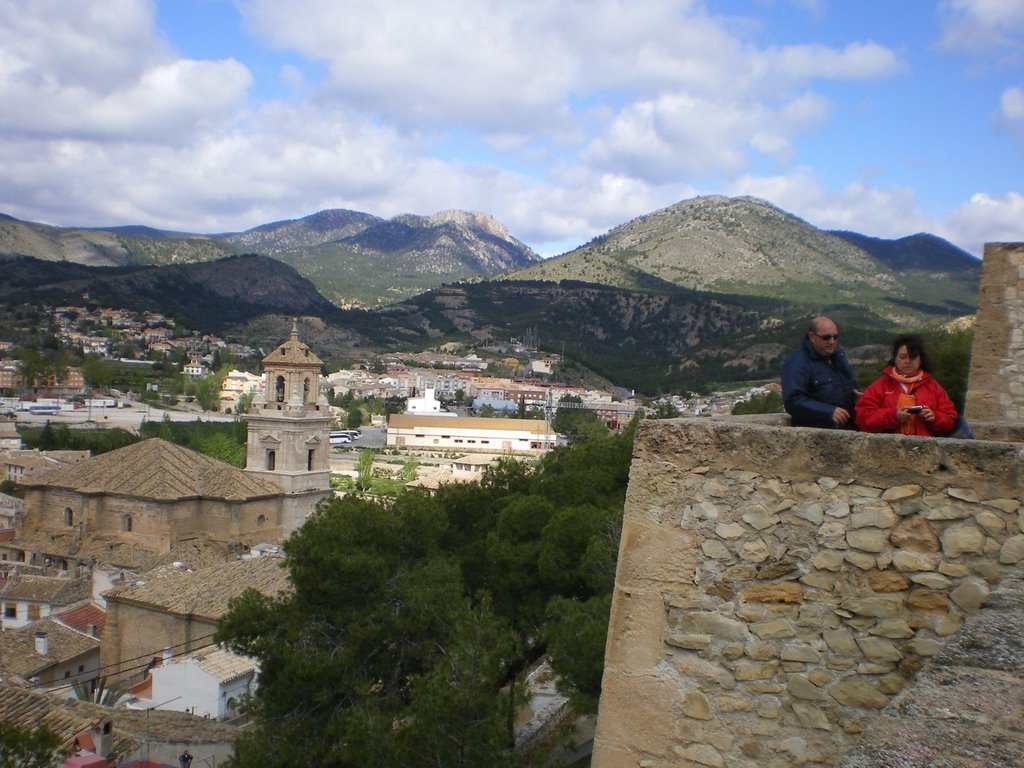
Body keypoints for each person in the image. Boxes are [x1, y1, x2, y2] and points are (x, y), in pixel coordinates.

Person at [855, 334, 957, 436]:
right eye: (903, 357)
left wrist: (935, 417)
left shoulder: (934, 387)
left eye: (913, 357)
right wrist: (894, 415)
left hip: (924, 448)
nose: (908, 361)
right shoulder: (879, 386)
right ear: (895, 358)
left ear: (920, 359)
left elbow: (951, 420)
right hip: (888, 447)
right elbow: (862, 419)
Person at [781, 316, 859, 428]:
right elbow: (793, 401)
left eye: (835, 337)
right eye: (826, 337)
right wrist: (828, 411)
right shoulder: (798, 364)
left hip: (847, 429)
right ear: (812, 337)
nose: (832, 342)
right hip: (820, 434)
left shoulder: (837, 355)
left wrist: (855, 396)